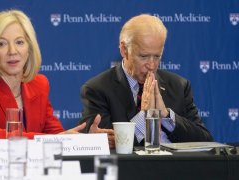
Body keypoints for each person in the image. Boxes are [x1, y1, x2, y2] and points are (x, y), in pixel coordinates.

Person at [0, 9, 108, 140]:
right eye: (1, 44)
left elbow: (55, 133)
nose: (12, 51)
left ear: (29, 48)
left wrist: (84, 139)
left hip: (38, 167)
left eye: (19, 42)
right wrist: (53, 139)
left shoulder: (39, 84)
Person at [79, 14, 213, 146]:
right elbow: (105, 143)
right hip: (130, 167)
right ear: (124, 50)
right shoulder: (97, 89)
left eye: (157, 56)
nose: (152, 65)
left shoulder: (179, 86)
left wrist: (165, 115)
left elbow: (205, 140)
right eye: (143, 56)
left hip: (176, 166)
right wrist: (144, 117)